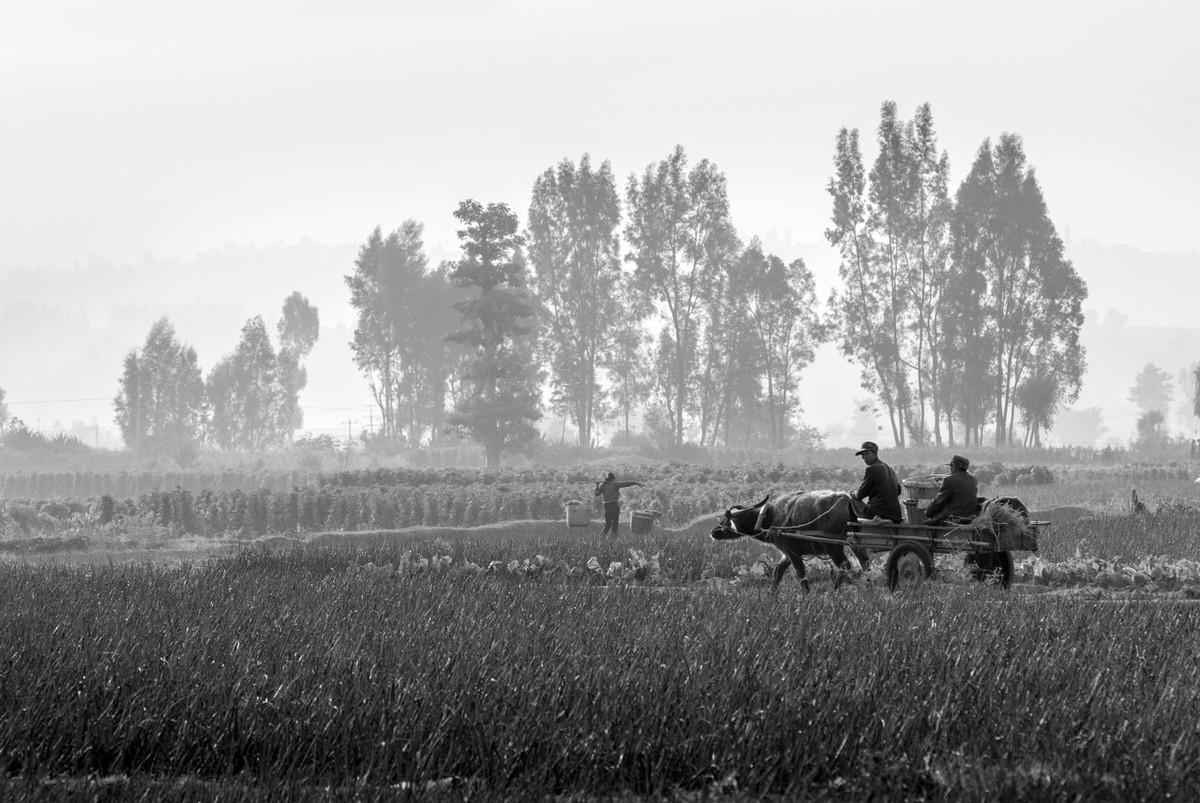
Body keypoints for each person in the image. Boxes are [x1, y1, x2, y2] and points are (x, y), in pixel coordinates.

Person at [853, 441, 903, 523]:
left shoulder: (872, 468)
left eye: (865, 454)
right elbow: (898, 491)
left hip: (878, 513)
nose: (863, 458)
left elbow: (860, 494)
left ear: (873, 453)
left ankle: (857, 527)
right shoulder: (889, 468)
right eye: (862, 455)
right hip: (895, 515)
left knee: (852, 500)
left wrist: (853, 494)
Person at [924, 455, 980, 525]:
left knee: (925, 523)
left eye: (951, 466)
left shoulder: (949, 480)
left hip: (954, 517)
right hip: (969, 517)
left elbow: (938, 501)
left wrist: (928, 512)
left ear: (955, 467)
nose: (950, 468)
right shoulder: (973, 479)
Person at [594, 472, 642, 536]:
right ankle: (613, 539)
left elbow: (596, 494)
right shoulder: (615, 484)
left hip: (606, 506)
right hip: (614, 505)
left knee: (608, 524)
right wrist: (636, 483)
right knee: (615, 523)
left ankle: (601, 537)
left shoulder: (603, 486)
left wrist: (597, 485)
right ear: (613, 479)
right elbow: (627, 483)